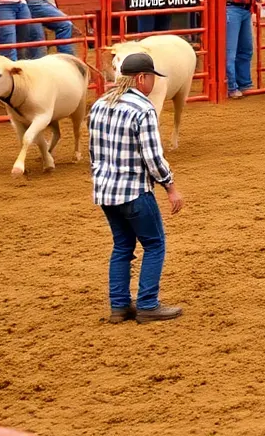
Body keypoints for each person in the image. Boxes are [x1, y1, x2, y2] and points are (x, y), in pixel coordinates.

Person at [89, 51, 185, 325]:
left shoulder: (99, 105)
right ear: (142, 78)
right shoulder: (143, 110)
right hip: (134, 191)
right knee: (154, 244)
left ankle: (119, 306)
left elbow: (94, 153)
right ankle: (147, 304)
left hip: (106, 191)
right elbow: (153, 157)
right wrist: (170, 187)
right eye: (152, 77)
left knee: (122, 246)